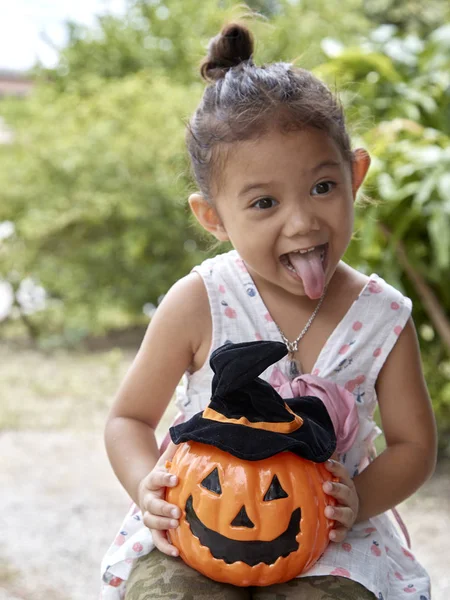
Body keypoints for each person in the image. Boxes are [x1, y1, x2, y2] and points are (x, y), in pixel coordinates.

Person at [100, 21, 437, 600]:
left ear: (355, 176)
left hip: (335, 540)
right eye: (264, 202)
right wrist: (145, 485)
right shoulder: (200, 300)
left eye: (322, 187)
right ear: (214, 217)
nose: (302, 221)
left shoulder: (383, 316)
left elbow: (413, 446)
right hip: (200, 525)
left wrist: (359, 502)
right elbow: (127, 419)